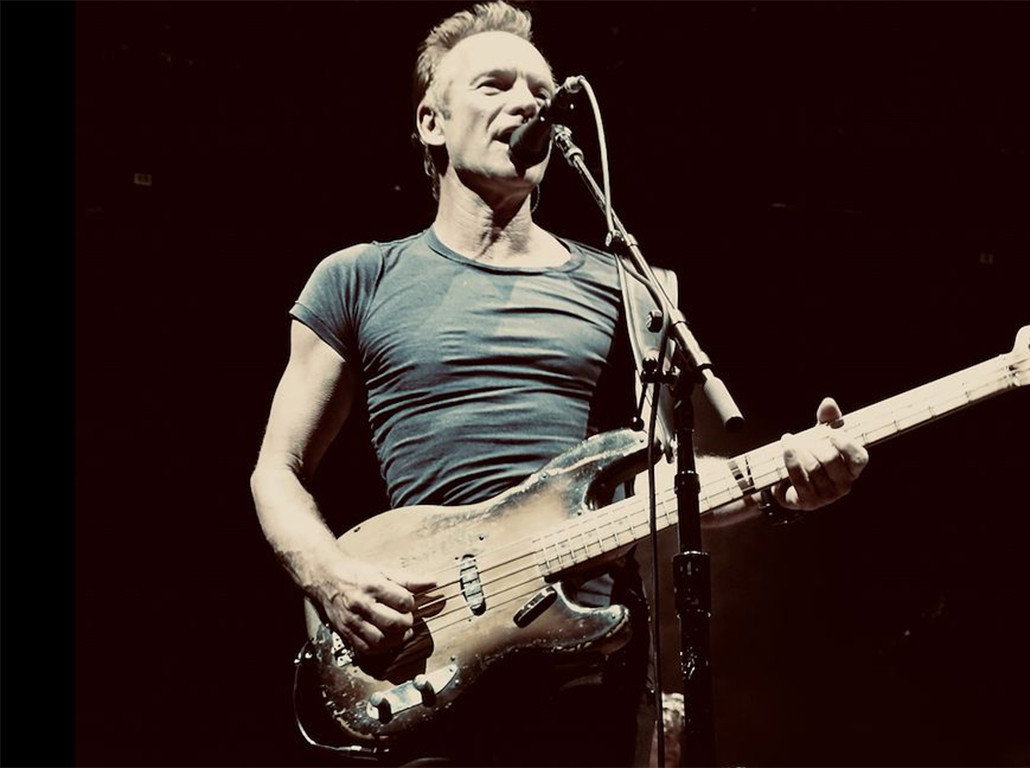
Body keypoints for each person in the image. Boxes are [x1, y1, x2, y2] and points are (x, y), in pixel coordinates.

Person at [250, 2, 869, 765]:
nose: (527, 103)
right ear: (432, 123)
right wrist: (328, 575)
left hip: (585, 676)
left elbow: (664, 485)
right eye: (495, 85)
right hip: (427, 655)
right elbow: (276, 469)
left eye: (541, 92)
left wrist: (782, 486)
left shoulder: (628, 287)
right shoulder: (358, 277)